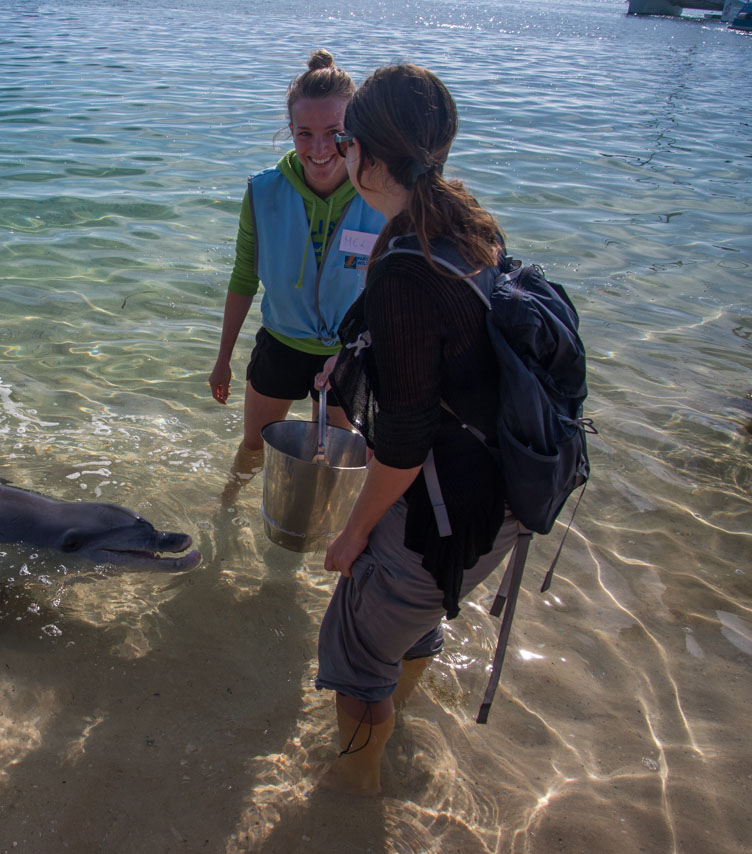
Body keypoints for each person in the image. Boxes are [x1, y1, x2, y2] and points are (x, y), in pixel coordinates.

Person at [311, 64, 523, 795]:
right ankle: (389, 736)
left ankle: (352, 798)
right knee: (413, 624)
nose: (338, 155)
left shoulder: (403, 267)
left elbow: (402, 439)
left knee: (357, 660)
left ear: (366, 151)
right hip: (498, 501)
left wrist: (354, 531)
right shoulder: (465, 223)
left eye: (343, 140)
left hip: (438, 506)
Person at [209, 50, 385, 476]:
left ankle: (324, 537)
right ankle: (230, 512)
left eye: (335, 132)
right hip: (282, 345)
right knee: (254, 447)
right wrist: (223, 358)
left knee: (334, 463)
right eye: (305, 133)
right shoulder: (263, 192)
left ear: (355, 132)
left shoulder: (380, 195)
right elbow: (243, 277)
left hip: (349, 354)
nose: (321, 148)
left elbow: (396, 291)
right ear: (289, 132)